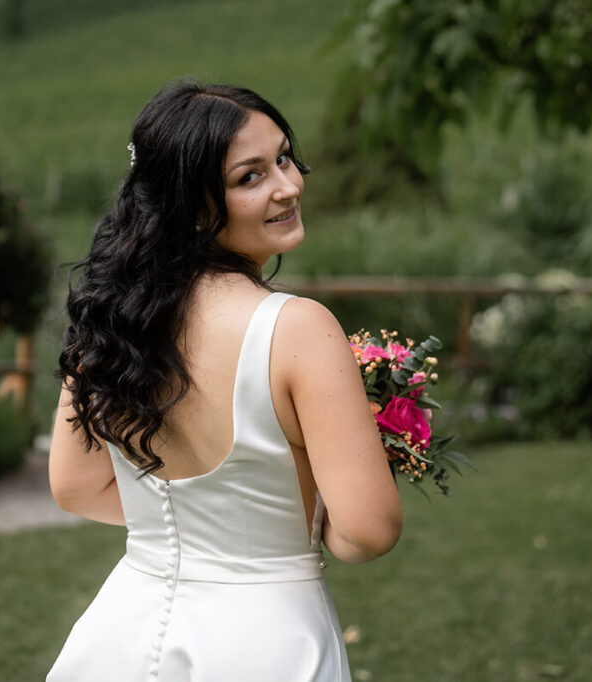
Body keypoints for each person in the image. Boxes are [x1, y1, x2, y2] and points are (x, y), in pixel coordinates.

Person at [45, 80, 402, 681]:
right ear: (191, 202)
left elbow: (76, 487)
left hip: (121, 633)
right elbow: (367, 532)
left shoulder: (106, 320)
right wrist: (319, 507)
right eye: (250, 177)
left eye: (284, 158)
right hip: (264, 642)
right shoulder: (298, 329)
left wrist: (187, 534)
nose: (288, 186)